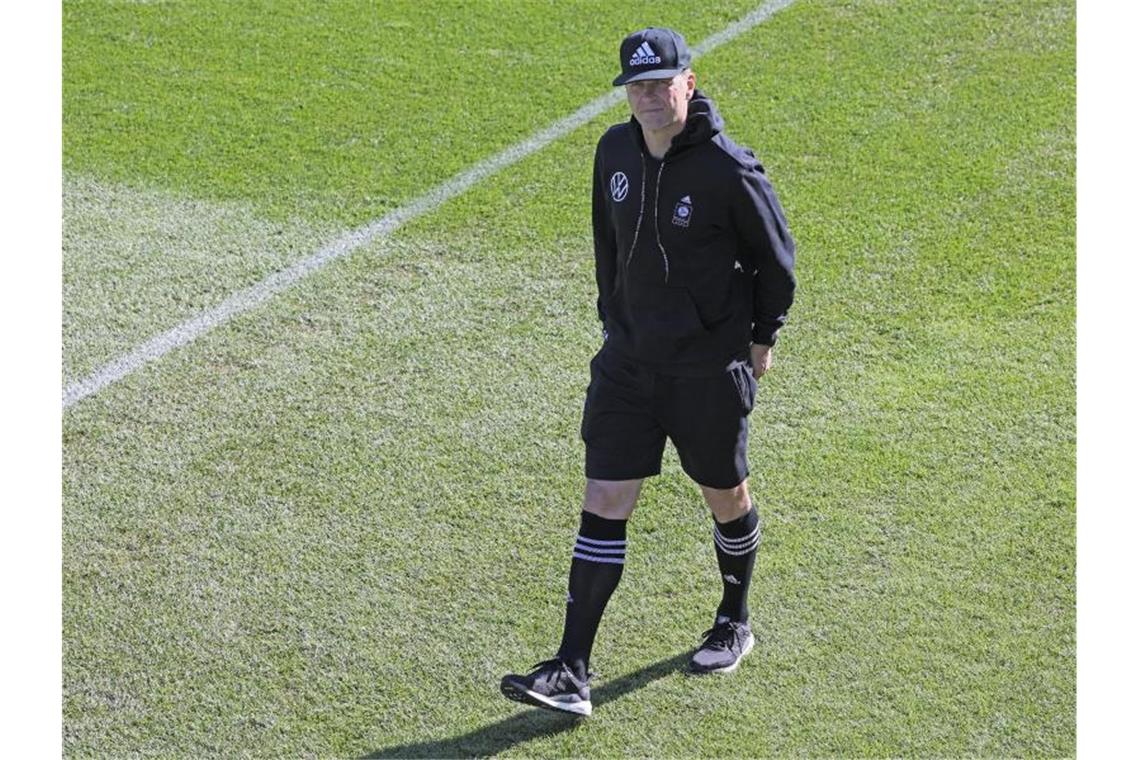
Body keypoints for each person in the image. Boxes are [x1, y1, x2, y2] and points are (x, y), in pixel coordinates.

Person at [500, 26, 796, 717]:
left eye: (662, 84)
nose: (650, 98)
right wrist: (616, 322)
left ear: (688, 83)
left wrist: (760, 338)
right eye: (637, 87)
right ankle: (571, 670)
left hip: (703, 371)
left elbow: (776, 264)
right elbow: (607, 242)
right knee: (604, 498)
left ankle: (733, 619)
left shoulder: (730, 171)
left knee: (725, 495)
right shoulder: (613, 151)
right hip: (629, 365)